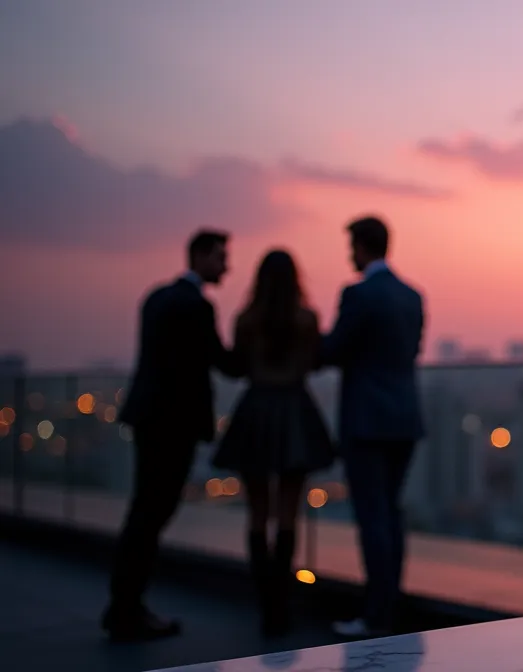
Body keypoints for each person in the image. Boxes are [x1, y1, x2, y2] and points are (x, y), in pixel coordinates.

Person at [107, 230, 242, 642]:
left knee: (143, 512)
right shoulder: (196, 306)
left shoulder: (156, 298)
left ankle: (123, 605)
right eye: (220, 257)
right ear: (199, 256)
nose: (226, 267)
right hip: (175, 425)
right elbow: (223, 363)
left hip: (148, 419)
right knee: (153, 514)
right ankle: (128, 610)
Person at [212, 249, 334, 636]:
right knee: (287, 514)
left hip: (256, 412)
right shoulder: (307, 319)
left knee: (257, 513)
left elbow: (236, 367)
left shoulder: (246, 320)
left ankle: (265, 603)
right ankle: (281, 605)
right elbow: (315, 360)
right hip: (295, 412)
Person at [322, 216, 424, 638]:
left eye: (352, 247)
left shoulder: (358, 294)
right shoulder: (412, 296)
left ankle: (376, 614)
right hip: (404, 418)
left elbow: (334, 350)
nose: (350, 256)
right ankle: (389, 605)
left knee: (372, 517)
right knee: (392, 514)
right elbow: (411, 351)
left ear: (362, 246)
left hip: (366, 421)